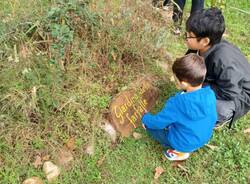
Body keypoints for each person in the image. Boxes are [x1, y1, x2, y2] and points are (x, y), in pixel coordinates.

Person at [141, 53, 217, 161]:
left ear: (185, 83)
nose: (174, 79)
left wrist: (146, 118)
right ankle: (184, 146)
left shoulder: (178, 103)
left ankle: (179, 152)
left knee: (150, 127)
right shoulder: (210, 94)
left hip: (184, 142)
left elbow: (158, 122)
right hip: (202, 138)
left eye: (176, 78)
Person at [185, 8, 250, 128]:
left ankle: (222, 117)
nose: (186, 38)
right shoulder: (202, 47)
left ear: (205, 41)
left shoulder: (222, 60)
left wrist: (199, 89)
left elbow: (231, 92)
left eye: (189, 36)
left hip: (239, 94)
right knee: (189, 91)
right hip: (223, 82)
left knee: (211, 109)